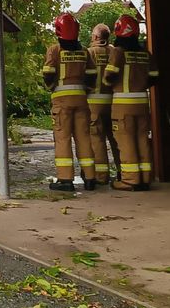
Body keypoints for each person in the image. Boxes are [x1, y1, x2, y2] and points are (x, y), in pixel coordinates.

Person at [42, 13, 97, 191]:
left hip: (61, 102)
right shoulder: (84, 51)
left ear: (58, 30)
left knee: (63, 139)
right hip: (82, 101)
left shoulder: (54, 50)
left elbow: (48, 73)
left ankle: (65, 180)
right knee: (84, 138)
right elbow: (92, 76)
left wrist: (52, 87)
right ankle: (90, 178)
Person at [105, 14, 157, 191]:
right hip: (142, 104)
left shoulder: (118, 52)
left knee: (125, 141)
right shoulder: (145, 54)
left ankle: (130, 180)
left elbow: (109, 77)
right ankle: (145, 178)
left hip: (122, 106)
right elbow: (154, 77)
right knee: (142, 139)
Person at [86, 23, 121, 185]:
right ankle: (123, 172)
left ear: (95, 37)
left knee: (97, 140)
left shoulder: (89, 53)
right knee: (117, 139)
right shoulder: (115, 52)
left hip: (94, 103)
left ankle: (101, 176)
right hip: (114, 103)